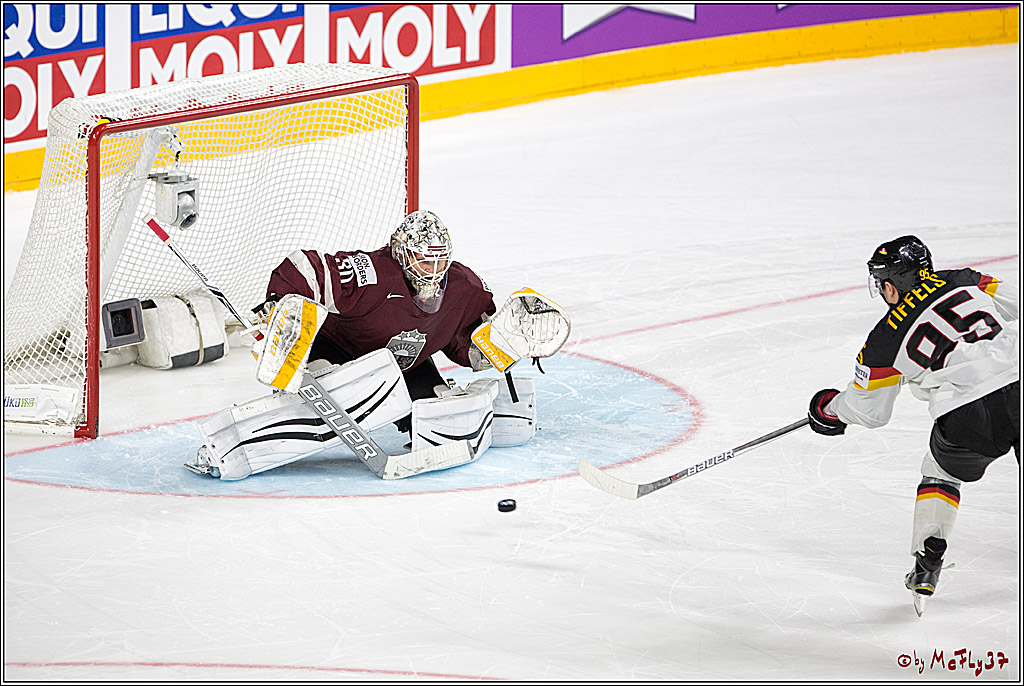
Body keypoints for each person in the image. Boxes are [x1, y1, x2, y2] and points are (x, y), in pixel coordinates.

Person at [806, 235, 1019, 609]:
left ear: (891, 284)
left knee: (940, 472)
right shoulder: (963, 278)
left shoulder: (883, 341)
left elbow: (871, 412)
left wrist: (830, 408)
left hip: (965, 414)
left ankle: (928, 560)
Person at [258, 209, 497, 419]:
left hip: (403, 365)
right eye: (424, 261)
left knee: (441, 413)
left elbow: (466, 343)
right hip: (337, 352)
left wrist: (504, 344)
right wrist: (282, 308)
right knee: (329, 384)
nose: (434, 271)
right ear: (402, 253)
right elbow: (305, 267)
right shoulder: (371, 273)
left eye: (440, 261)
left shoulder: (464, 286)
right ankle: (302, 403)